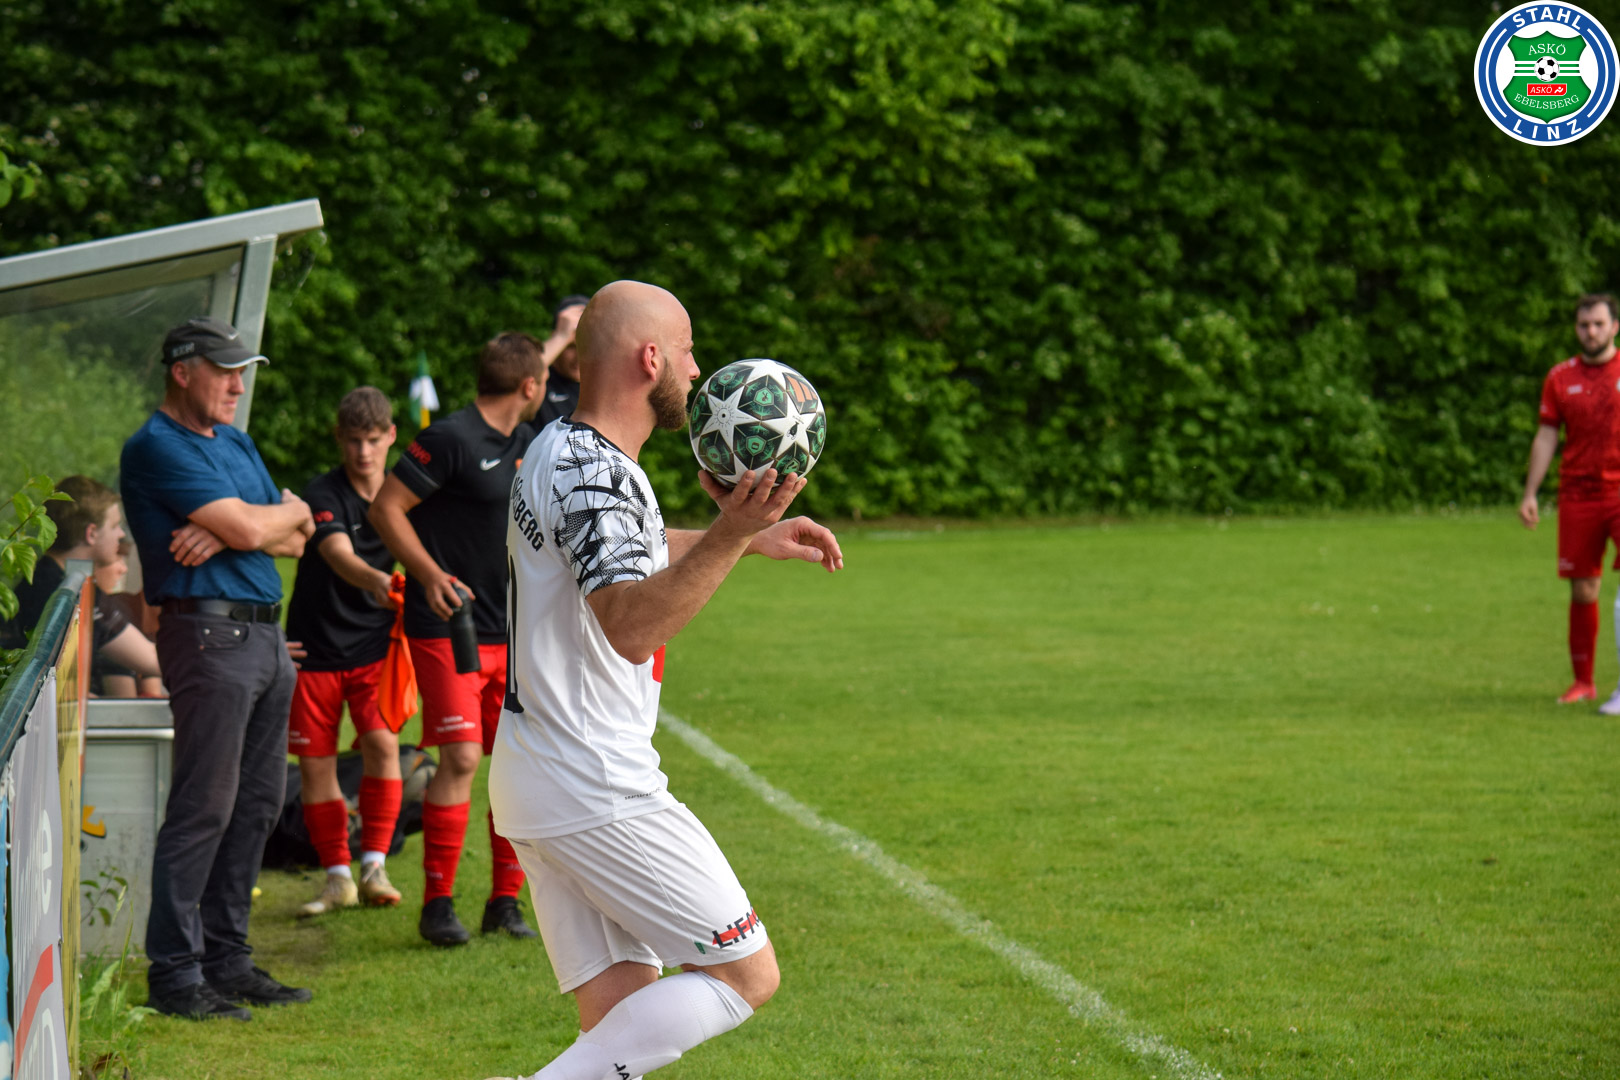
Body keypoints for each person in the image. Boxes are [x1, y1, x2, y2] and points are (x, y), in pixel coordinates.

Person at [484, 281, 843, 1080]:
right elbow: (631, 626)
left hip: (541, 776)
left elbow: (614, 543)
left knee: (619, 1021)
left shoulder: (563, 448)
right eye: (686, 350)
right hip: (595, 783)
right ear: (650, 359)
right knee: (745, 973)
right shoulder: (597, 472)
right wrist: (733, 530)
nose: (695, 368)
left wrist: (742, 538)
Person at [120, 316, 315, 1022]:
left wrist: (246, 524)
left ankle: (227, 960)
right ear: (182, 371)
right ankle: (175, 974)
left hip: (264, 638)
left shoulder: (234, 441)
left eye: (242, 373)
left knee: (258, 804)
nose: (237, 386)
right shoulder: (155, 445)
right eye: (226, 372)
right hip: (209, 636)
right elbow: (266, 527)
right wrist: (253, 524)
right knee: (204, 805)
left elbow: (302, 533)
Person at [369, 332, 547, 945]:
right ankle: (437, 905)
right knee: (464, 758)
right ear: (529, 385)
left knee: (519, 766)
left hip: (514, 632)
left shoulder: (530, 441)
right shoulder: (449, 437)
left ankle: (505, 903)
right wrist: (429, 575)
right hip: (450, 626)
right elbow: (386, 508)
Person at [284, 387, 407, 916]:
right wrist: (379, 580)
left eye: (373, 440)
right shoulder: (323, 491)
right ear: (339, 438)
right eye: (354, 440)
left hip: (376, 647)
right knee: (316, 764)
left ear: (391, 436)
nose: (364, 452)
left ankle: (374, 865)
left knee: (382, 745)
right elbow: (337, 553)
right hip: (313, 648)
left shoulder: (402, 495)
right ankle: (337, 876)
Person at [1520, 292, 1620, 708]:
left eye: (1598, 324)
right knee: (1583, 589)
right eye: (1584, 325)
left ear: (1615, 326)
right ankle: (1584, 681)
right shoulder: (1560, 378)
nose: (1591, 332)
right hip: (1578, 493)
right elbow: (1547, 435)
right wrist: (1530, 492)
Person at [10, 475, 163, 696]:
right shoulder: (60, 590)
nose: (121, 534)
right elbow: (150, 659)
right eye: (115, 526)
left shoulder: (55, 579)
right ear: (91, 533)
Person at [536, 295, 589, 429]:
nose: (579, 358)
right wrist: (561, 336)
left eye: (586, 347)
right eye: (571, 347)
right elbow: (520, 375)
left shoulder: (599, 385)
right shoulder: (540, 381)